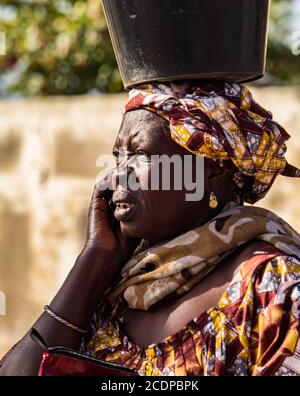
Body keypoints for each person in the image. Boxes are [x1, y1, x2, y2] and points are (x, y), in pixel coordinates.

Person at [1, 82, 300, 376]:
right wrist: (94, 260)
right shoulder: (117, 288)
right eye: (118, 157)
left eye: (139, 154)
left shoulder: (273, 286)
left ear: (211, 169)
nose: (117, 174)